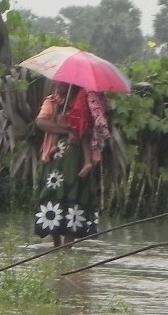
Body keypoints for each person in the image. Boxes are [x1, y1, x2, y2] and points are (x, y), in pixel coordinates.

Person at [33, 81, 111, 247]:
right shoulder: (52, 101)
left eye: (62, 84)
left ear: (71, 85)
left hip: (78, 160)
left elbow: (94, 128)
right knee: (52, 196)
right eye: (57, 83)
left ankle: (68, 246)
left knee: (75, 198)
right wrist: (65, 129)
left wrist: (77, 129)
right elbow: (41, 122)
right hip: (55, 161)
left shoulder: (85, 102)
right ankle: (56, 245)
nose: (58, 85)